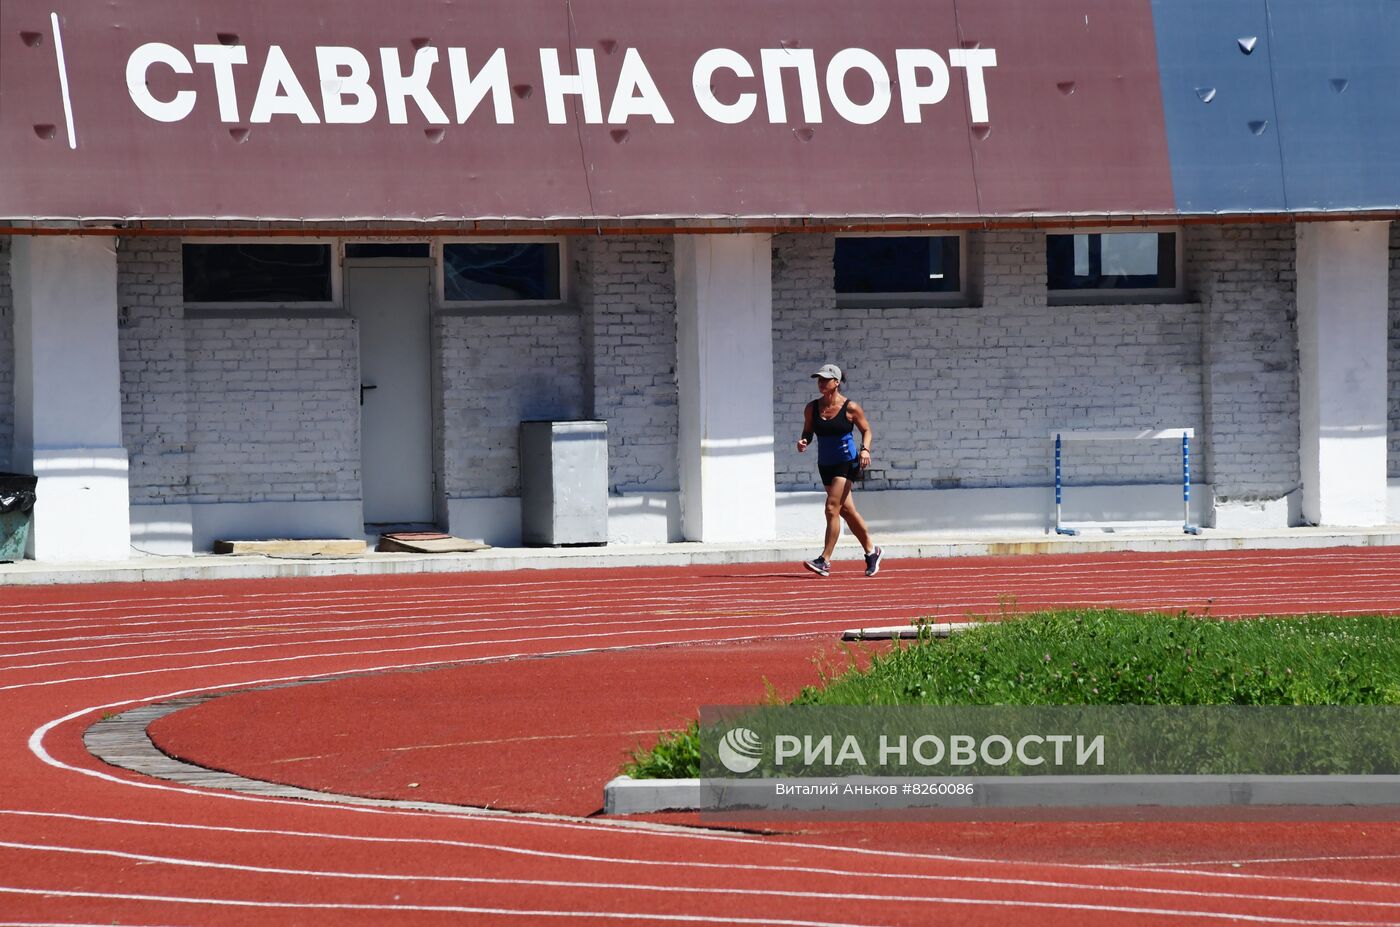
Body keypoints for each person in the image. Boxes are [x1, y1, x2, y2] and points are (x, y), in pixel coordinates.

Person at [797, 363, 883, 577]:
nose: (821, 383)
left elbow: (867, 430)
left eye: (825, 379)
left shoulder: (850, 407)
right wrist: (803, 441)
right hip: (825, 463)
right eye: (819, 379)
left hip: (846, 461)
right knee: (846, 510)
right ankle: (872, 551)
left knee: (831, 508)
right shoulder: (812, 408)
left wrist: (865, 450)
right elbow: (808, 432)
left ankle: (825, 560)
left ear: (836, 382)